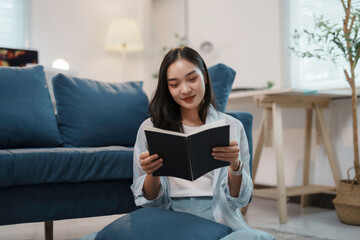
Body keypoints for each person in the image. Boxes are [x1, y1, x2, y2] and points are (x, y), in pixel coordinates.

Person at [131, 47, 274, 240]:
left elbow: (239, 199)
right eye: (174, 84)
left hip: (218, 217)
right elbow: (148, 201)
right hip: (170, 216)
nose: (185, 90)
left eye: (192, 79)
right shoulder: (150, 128)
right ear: (167, 88)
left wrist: (235, 166)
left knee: (258, 238)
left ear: (205, 76)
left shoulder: (232, 126)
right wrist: (152, 173)